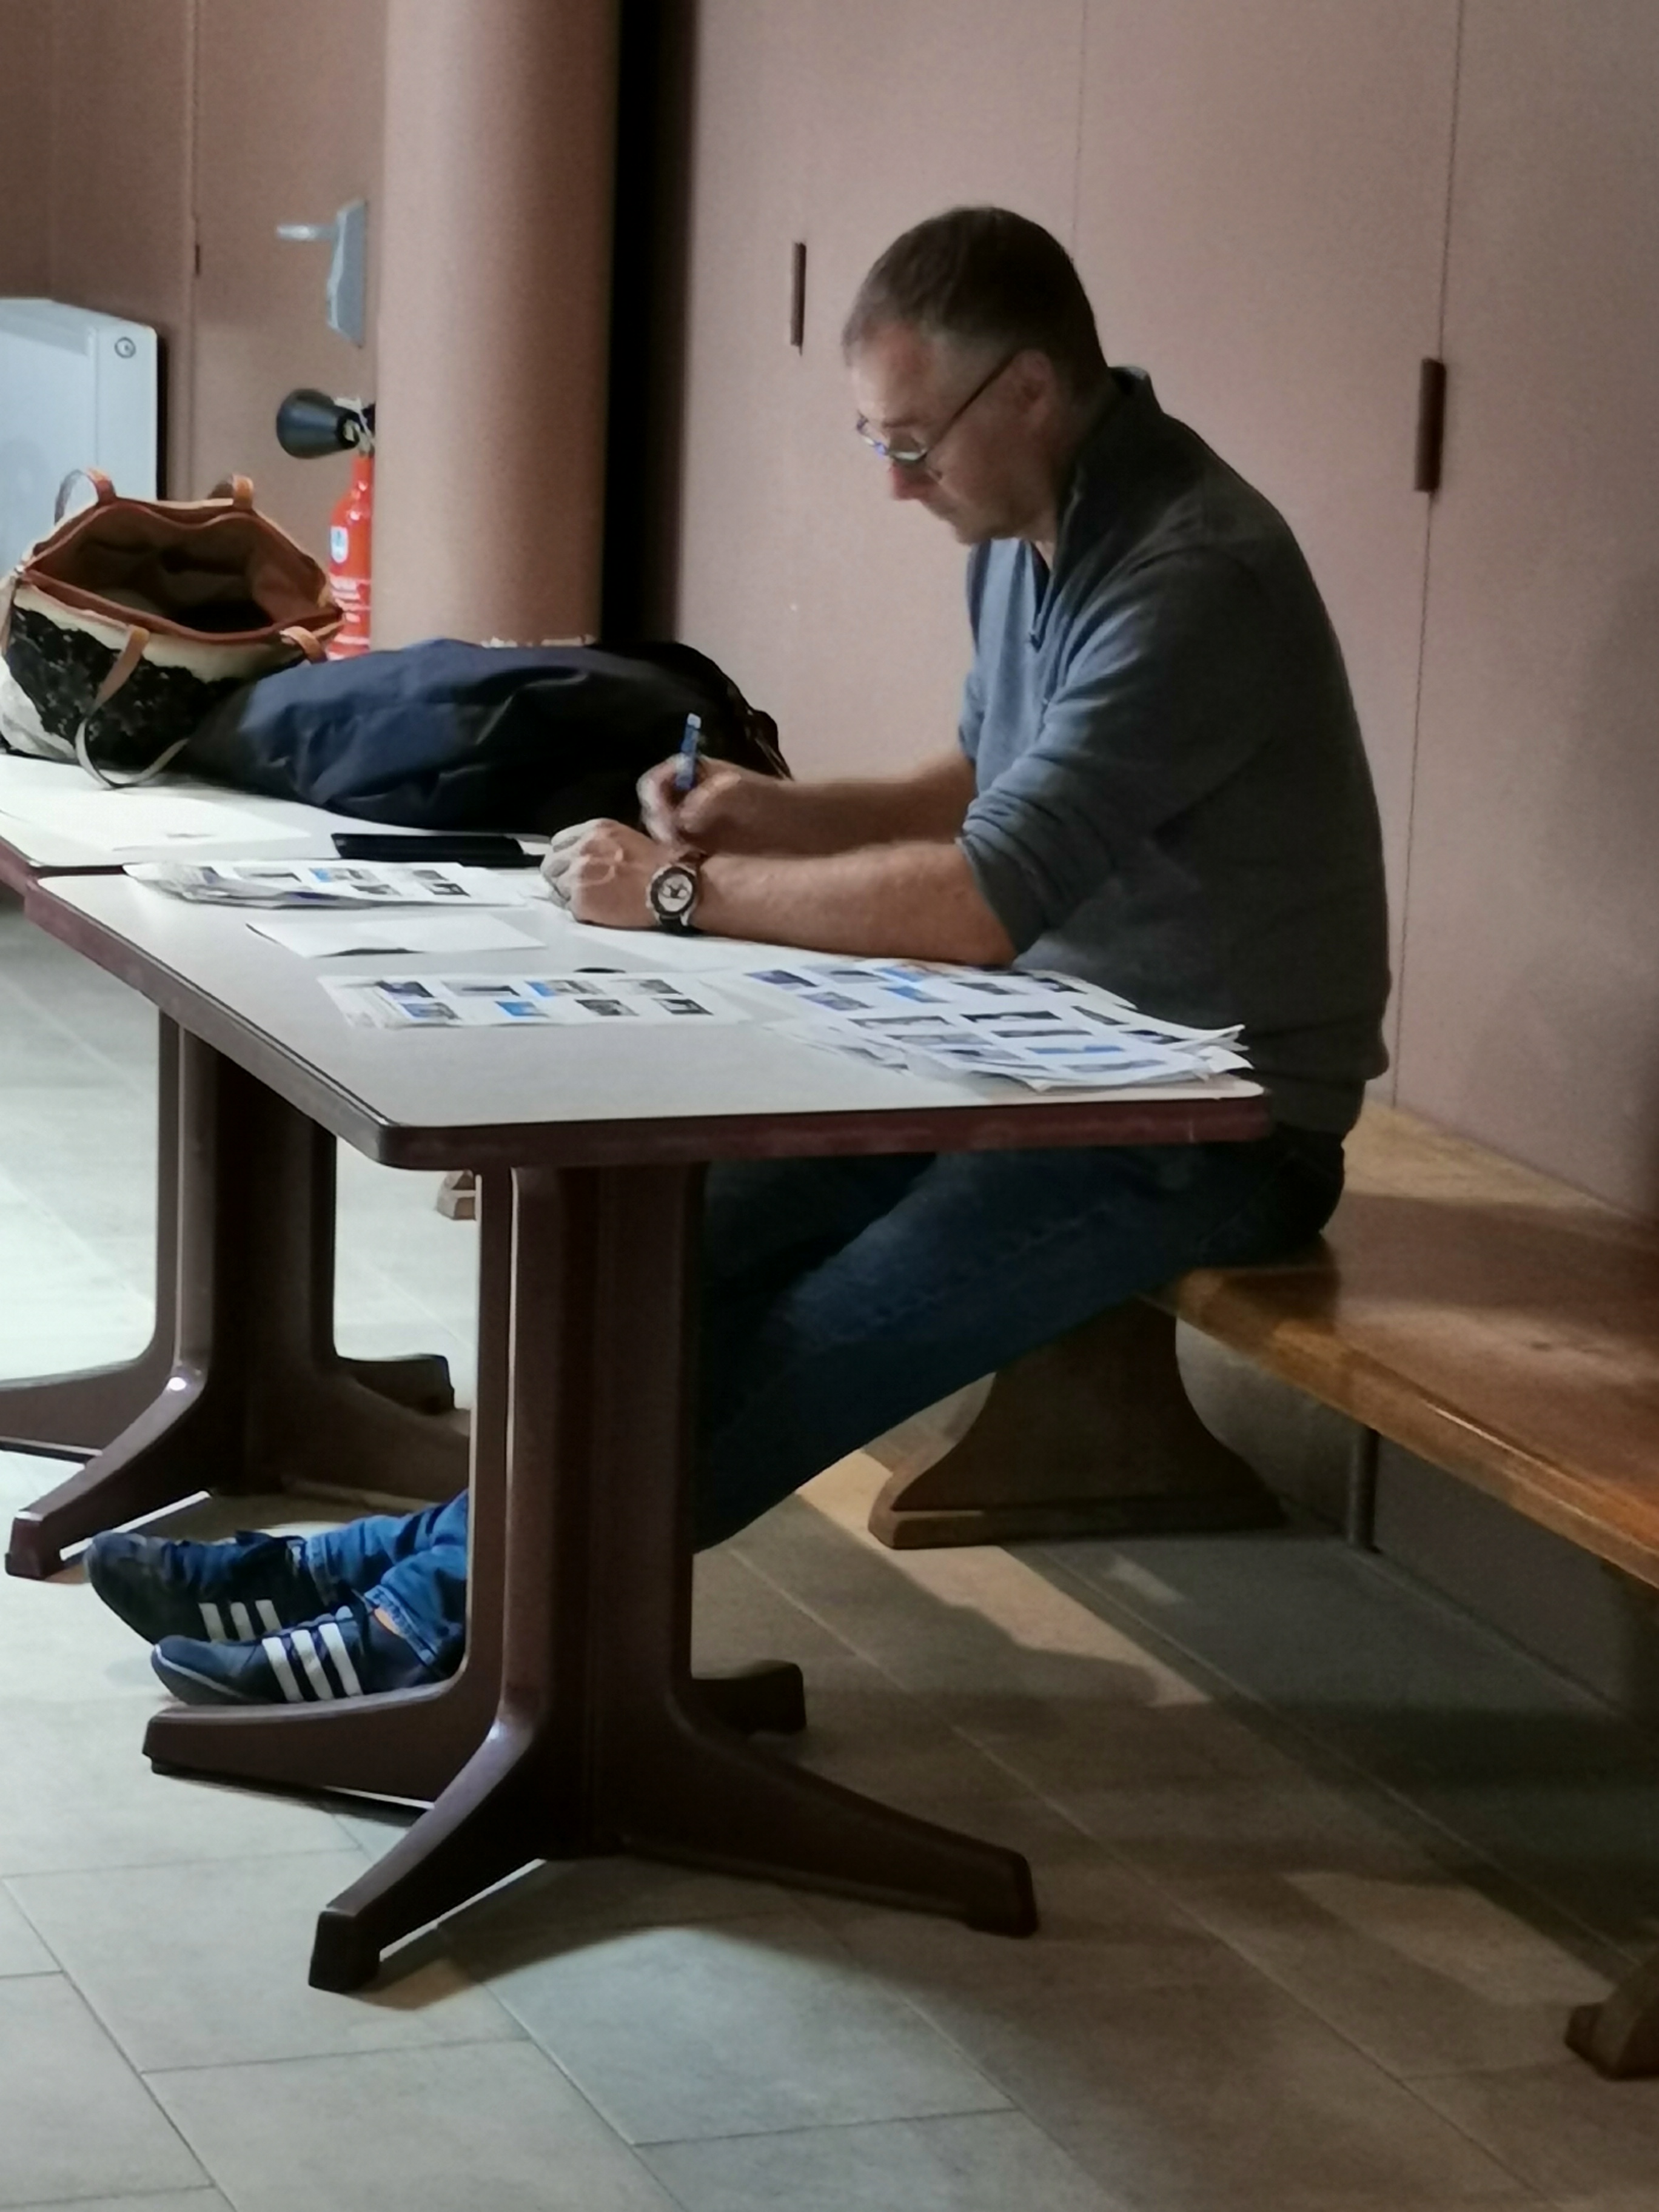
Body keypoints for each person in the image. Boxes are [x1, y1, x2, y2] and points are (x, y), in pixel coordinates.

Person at [88, 206, 1388, 1705]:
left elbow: (983, 899)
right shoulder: (1032, 521)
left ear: (1030, 389)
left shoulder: (1191, 572)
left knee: (823, 1334)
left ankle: (432, 1624)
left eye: (916, 443)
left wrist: (679, 894)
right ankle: (426, 1579)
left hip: (1221, 1117)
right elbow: (988, 783)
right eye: (879, 442)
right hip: (1050, 1058)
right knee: (682, 1251)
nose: (899, 483)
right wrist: (781, 815)